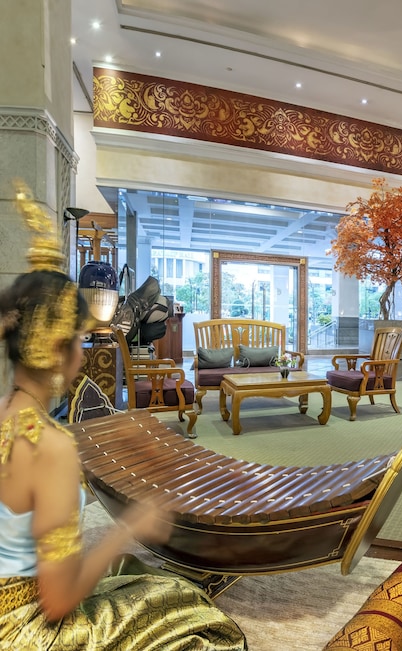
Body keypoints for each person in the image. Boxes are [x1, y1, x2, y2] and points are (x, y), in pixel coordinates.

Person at [0, 182, 246, 649]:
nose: (83, 350)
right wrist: (129, 527)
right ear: (59, 350)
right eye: (79, 339)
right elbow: (58, 602)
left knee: (134, 575)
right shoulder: (51, 446)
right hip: (24, 630)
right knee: (194, 616)